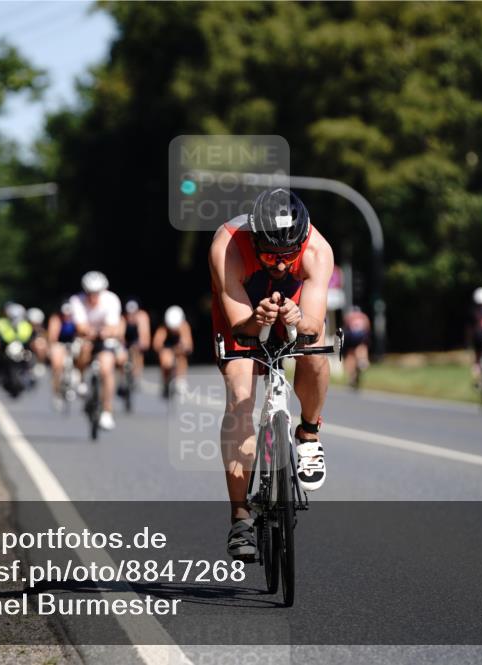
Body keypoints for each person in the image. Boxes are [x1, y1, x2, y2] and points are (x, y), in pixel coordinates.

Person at [208, 188, 334, 560]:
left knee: (313, 349)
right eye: (269, 255)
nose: (279, 265)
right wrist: (256, 318)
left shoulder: (317, 251)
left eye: (287, 256)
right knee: (240, 391)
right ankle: (240, 517)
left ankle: (308, 433)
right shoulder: (228, 245)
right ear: (254, 238)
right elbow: (237, 324)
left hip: (294, 306)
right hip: (244, 308)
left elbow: (312, 324)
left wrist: (298, 319)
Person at [69, 271, 123, 430]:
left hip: (105, 338)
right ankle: (81, 379)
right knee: (83, 349)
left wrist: (105, 332)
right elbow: (81, 326)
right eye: (89, 293)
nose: (93, 296)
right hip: (86, 338)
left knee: (107, 369)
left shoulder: (111, 300)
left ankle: (107, 411)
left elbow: (113, 327)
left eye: (96, 293)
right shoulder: (76, 301)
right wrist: (92, 332)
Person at [152, 305, 193, 398]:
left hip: (178, 350)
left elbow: (189, 346)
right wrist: (166, 352)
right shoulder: (163, 329)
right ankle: (166, 381)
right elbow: (157, 345)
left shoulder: (184, 326)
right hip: (167, 348)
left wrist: (181, 347)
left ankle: (181, 381)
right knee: (165, 361)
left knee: (182, 357)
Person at [0, 302, 32, 384]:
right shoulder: (0, 323)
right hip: (5, 345)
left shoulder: (26, 325)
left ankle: (29, 372)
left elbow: (31, 337)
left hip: (21, 346)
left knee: (29, 354)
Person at [48, 299, 79, 408]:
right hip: (60, 343)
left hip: (74, 342)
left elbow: (81, 332)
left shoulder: (77, 318)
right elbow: (53, 336)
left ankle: (80, 380)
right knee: (57, 365)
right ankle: (56, 393)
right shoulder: (56, 319)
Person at [122, 299, 151, 381]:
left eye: (133, 314)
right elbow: (121, 334)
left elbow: (144, 334)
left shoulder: (142, 317)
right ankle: (123, 375)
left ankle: (137, 374)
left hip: (136, 338)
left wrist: (142, 344)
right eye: (129, 314)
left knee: (137, 350)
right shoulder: (123, 318)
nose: (131, 316)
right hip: (126, 338)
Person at [342, 306, 371, 389]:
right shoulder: (363, 316)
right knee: (362, 347)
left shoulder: (349, 316)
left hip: (351, 337)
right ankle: (363, 360)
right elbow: (367, 327)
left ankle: (351, 376)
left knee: (351, 355)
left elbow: (345, 325)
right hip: (362, 335)